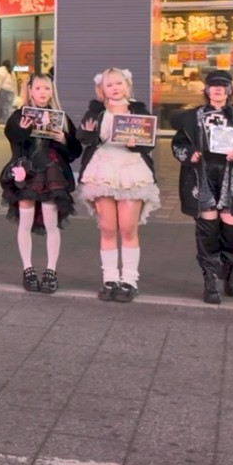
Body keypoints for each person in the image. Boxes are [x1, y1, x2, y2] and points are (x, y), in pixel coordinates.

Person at [171, 70, 233, 305]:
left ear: (230, 90)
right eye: (213, 85)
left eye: (223, 85)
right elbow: (177, 145)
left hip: (231, 178)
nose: (218, 89)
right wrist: (190, 154)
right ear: (206, 89)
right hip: (202, 177)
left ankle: (230, 272)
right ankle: (209, 279)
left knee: (232, 231)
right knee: (207, 231)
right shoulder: (191, 118)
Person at [78, 67, 161, 303]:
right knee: (107, 228)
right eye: (109, 84)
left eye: (118, 83)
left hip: (131, 171)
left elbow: (149, 143)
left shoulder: (139, 109)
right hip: (101, 170)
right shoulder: (95, 110)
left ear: (127, 85)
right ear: (102, 89)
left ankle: (130, 281)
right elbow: (83, 138)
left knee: (128, 228)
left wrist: (137, 143)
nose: (114, 88)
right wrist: (88, 133)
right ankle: (110, 279)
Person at [1, 74, 82, 294]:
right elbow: (12, 137)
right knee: (25, 223)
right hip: (27, 175)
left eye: (47, 88)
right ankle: (28, 269)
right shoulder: (19, 116)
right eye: (38, 88)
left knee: (51, 224)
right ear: (30, 90)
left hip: (53, 177)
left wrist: (63, 139)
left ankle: (51, 271)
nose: (43, 92)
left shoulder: (61, 118)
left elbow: (75, 151)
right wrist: (24, 129)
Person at [0, 60, 18, 128]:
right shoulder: (11, 72)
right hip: (10, 91)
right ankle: (9, 123)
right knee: (8, 107)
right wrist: (16, 93)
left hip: (2, 91)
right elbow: (15, 84)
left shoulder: (0, 71)